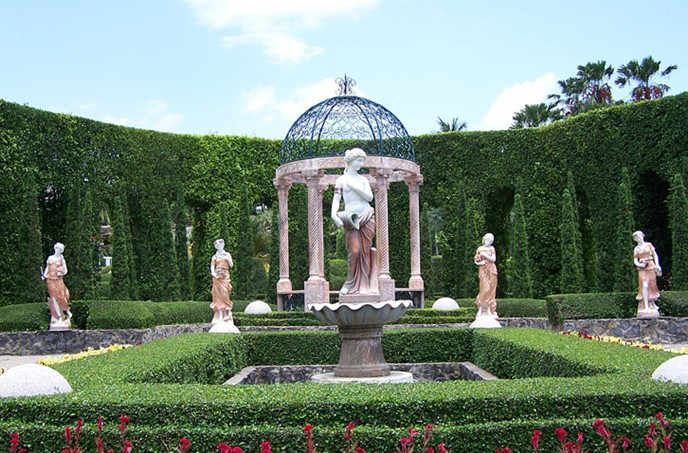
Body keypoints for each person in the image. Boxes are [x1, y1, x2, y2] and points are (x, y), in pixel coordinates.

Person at [331, 148, 376, 295]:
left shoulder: (363, 180)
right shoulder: (341, 180)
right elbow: (336, 200)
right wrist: (333, 215)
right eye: (359, 161)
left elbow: (370, 197)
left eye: (362, 161)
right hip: (351, 218)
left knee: (365, 251)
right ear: (351, 161)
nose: (361, 164)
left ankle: (364, 285)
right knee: (354, 251)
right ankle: (349, 282)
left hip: (367, 215)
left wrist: (355, 187)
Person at [633, 230, 661, 313]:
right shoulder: (636, 248)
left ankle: (652, 303)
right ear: (635, 239)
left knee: (652, 285)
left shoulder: (649, 245)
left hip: (651, 266)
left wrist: (657, 265)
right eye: (637, 237)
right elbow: (635, 260)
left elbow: (655, 254)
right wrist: (639, 264)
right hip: (642, 268)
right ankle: (646, 306)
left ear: (643, 236)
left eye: (640, 235)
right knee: (644, 285)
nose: (639, 237)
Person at [43, 242, 72, 323]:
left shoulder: (62, 259)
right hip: (50, 280)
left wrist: (61, 273)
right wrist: (44, 275)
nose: (58, 250)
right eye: (58, 248)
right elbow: (47, 268)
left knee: (61, 296)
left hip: (58, 280)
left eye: (60, 249)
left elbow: (65, 270)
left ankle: (66, 311)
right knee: (53, 298)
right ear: (55, 248)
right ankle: (58, 316)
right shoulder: (50, 258)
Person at [474, 233, 498, 318]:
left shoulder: (492, 248)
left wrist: (485, 255)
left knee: (491, 289)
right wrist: (480, 263)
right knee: (484, 288)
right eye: (488, 240)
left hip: (491, 269)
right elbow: (476, 260)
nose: (489, 242)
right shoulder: (480, 248)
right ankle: (481, 308)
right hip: (483, 269)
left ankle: (489, 309)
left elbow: (493, 259)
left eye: (491, 240)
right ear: (484, 239)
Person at [210, 238, 234, 323]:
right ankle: (219, 315)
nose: (219, 246)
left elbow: (231, 265)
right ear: (215, 247)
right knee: (217, 295)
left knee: (225, 293)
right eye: (217, 245)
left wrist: (227, 258)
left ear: (223, 245)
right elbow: (212, 266)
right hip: (217, 277)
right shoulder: (215, 256)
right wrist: (213, 273)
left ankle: (227, 312)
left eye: (220, 244)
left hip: (225, 275)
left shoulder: (227, 254)